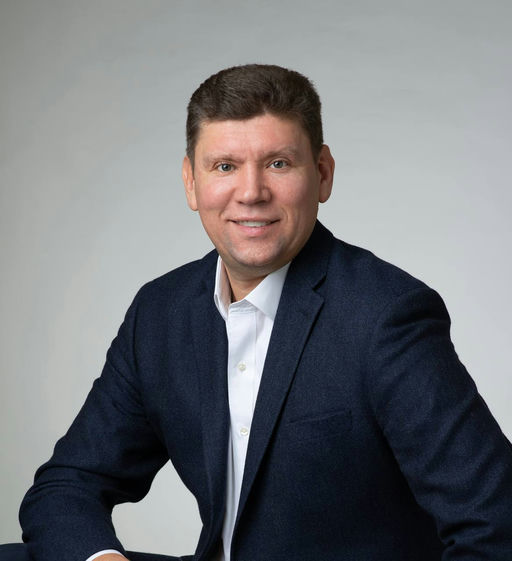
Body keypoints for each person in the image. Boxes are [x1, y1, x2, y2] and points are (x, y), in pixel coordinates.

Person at [12, 64, 512, 561]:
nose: (251, 193)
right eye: (224, 167)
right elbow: (66, 487)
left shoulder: (385, 315)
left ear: (322, 174)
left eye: (278, 163)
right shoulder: (161, 312)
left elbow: (496, 522)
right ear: (191, 182)